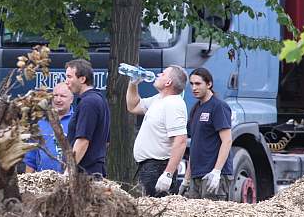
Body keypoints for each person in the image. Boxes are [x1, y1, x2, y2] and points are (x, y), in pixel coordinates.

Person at [125, 65, 189, 197]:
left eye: (163, 74)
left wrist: (168, 174)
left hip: (158, 168)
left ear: (168, 82)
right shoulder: (158, 99)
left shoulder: (173, 104)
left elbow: (181, 141)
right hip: (147, 167)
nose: (158, 74)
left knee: (157, 214)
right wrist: (133, 84)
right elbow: (133, 106)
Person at [182, 68, 234, 200]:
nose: (194, 88)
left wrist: (216, 172)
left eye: (198, 84)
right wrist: (186, 178)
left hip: (214, 175)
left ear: (209, 84)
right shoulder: (195, 109)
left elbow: (227, 141)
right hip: (196, 175)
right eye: (192, 84)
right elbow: (195, 145)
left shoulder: (218, 106)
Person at [64, 59, 110, 176]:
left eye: (69, 77)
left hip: (85, 174)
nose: (66, 81)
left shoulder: (88, 103)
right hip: (95, 170)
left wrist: (68, 173)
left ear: (82, 79)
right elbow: (106, 142)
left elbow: (83, 141)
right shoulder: (99, 99)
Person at [24, 82, 75, 173]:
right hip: (42, 180)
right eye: (55, 95)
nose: (58, 99)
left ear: (71, 99)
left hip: (69, 180)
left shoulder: (77, 121)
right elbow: (30, 158)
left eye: (63, 96)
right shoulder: (39, 121)